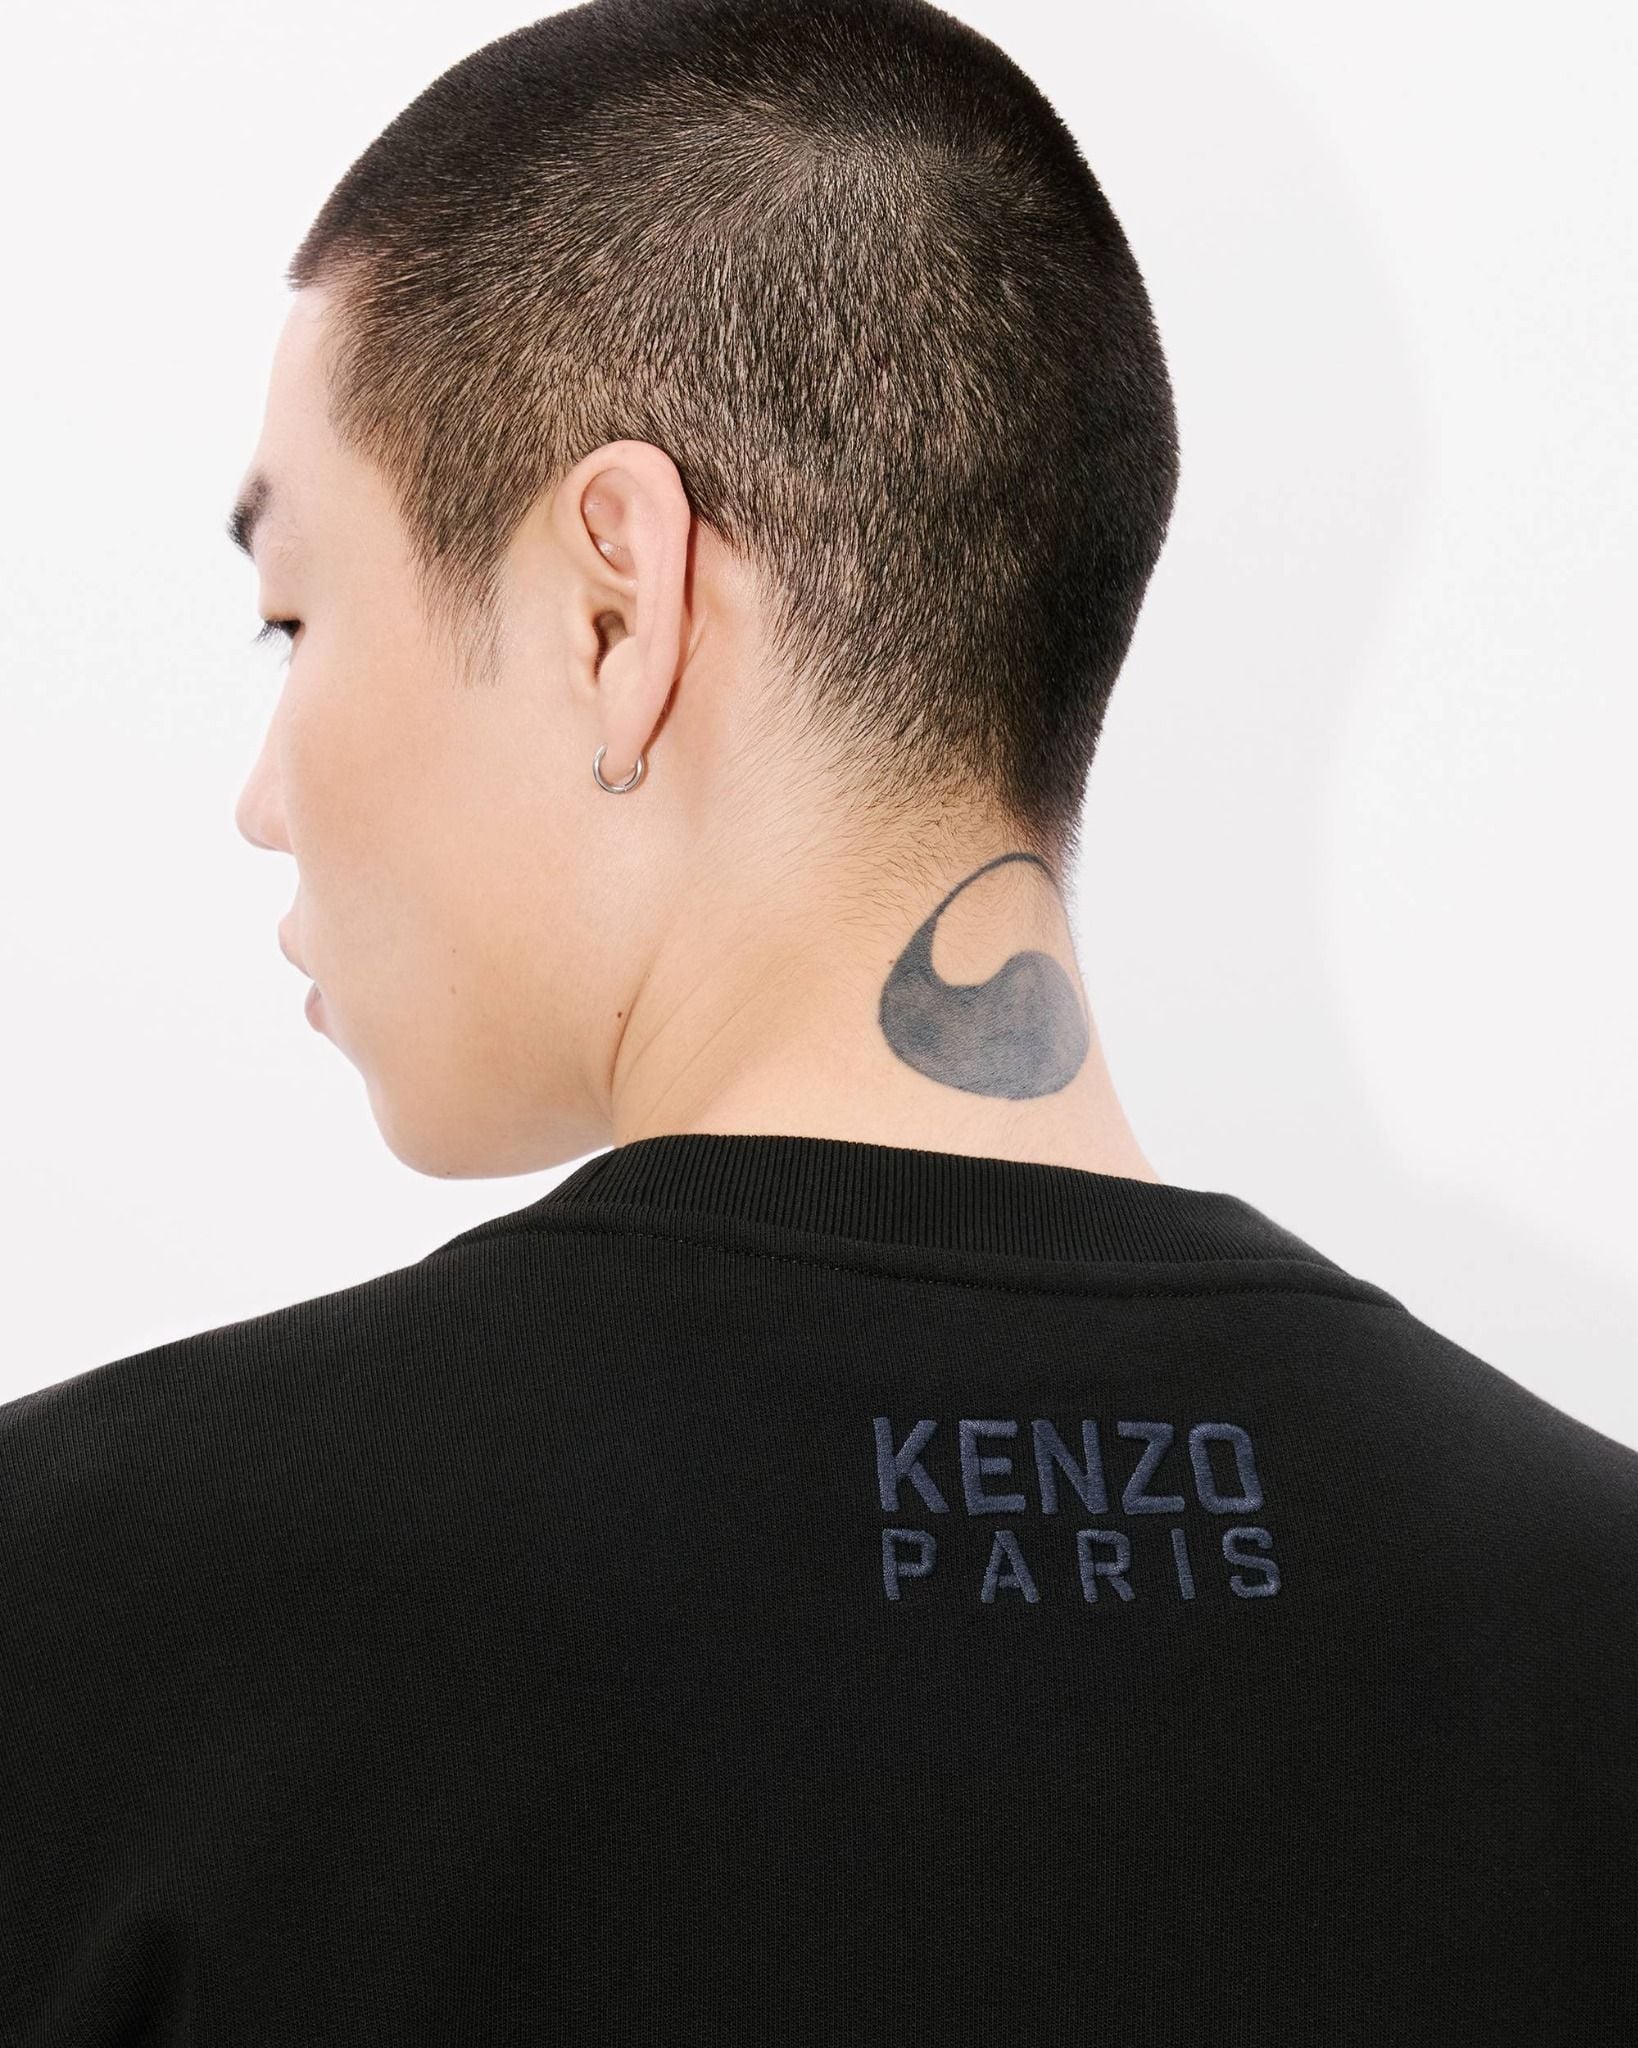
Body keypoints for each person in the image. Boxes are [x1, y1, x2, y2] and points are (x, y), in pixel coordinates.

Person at [3, 0, 1634, 2039]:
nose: (264, 793)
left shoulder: (87, 1618)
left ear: (616, 604)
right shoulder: (1588, 1633)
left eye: (294, 618)